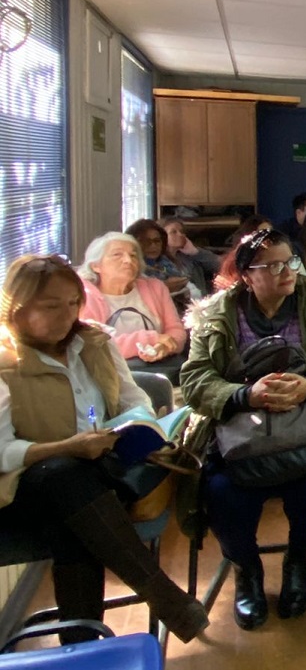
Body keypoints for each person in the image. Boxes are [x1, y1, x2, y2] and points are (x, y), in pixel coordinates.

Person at [0, 255, 209, 644]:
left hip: (96, 476)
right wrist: (67, 447)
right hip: (25, 484)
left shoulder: (93, 341)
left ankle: (80, 647)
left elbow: (136, 402)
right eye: (51, 306)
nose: (66, 315)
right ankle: (163, 597)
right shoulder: (5, 363)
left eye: (72, 303)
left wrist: (135, 428)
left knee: (73, 517)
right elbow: (2, 452)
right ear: (17, 307)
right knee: (64, 476)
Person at [180, 229, 306, 631]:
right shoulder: (217, 314)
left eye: (290, 261)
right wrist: (245, 395)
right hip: (238, 426)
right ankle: (248, 571)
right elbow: (194, 378)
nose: (286, 271)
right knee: (223, 495)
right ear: (246, 275)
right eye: (272, 266)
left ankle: (298, 558)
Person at [78, 232, 187, 372]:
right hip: (108, 373)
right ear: (95, 266)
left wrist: (165, 347)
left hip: (159, 368)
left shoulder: (155, 288)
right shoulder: (83, 296)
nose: (128, 260)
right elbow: (95, 345)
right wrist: (152, 338)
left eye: (133, 255)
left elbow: (176, 330)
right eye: (117, 255)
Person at [126, 219, 201, 312]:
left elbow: (195, 295)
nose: (153, 246)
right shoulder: (129, 269)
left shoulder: (167, 263)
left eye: (157, 241)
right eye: (146, 242)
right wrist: (163, 288)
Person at [162, 217, 220, 291]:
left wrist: (195, 252)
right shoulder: (159, 261)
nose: (180, 235)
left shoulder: (190, 257)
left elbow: (221, 266)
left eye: (182, 231)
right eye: (174, 232)